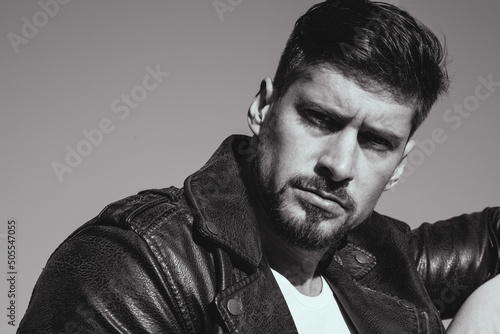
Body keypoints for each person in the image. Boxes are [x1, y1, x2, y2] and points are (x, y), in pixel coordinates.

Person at [18, 0, 499, 333]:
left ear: (399, 164)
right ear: (263, 107)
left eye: (376, 142)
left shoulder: (383, 261)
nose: (338, 165)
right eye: (319, 119)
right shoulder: (138, 266)